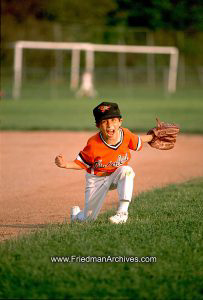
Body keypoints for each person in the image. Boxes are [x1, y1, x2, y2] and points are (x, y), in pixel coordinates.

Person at [55, 102, 153, 224]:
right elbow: (82, 163)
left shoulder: (126, 134)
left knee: (127, 171)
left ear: (120, 122)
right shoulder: (93, 144)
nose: (109, 124)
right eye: (104, 121)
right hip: (96, 179)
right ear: (98, 125)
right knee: (88, 219)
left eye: (113, 120)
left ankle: (122, 213)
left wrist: (153, 136)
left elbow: (138, 140)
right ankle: (77, 215)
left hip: (116, 175)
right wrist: (65, 164)